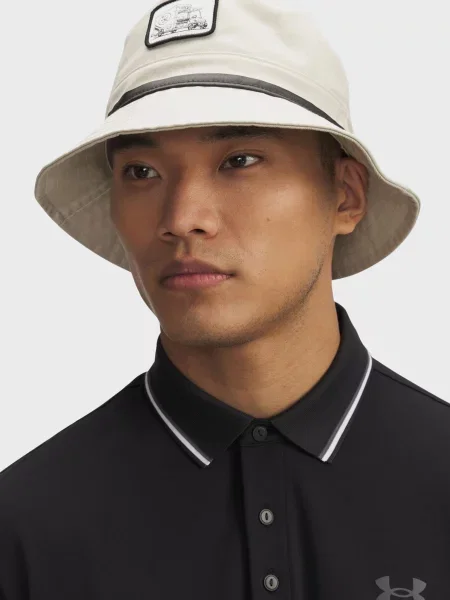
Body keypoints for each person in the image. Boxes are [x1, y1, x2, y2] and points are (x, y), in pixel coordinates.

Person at [1, 1, 449, 598]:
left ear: (344, 195)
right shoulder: (26, 529)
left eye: (240, 161)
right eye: (141, 172)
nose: (182, 218)